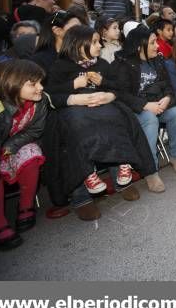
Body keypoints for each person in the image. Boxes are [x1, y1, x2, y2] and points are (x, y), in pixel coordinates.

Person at [43, 26, 157, 218]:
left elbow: (120, 88)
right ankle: (84, 188)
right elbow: (50, 95)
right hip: (72, 110)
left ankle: (122, 171)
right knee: (76, 128)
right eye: (94, 42)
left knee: (117, 118)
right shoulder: (60, 66)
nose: (99, 45)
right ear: (79, 45)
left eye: (98, 41)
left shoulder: (102, 64)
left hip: (102, 105)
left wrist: (107, 90)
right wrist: (73, 89)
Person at [113, 26, 176, 189]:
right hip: (135, 110)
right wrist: (145, 105)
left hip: (158, 104)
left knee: (175, 112)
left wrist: (167, 98)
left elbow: (168, 86)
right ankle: (151, 171)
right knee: (150, 119)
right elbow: (121, 94)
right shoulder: (123, 63)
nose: (157, 46)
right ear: (140, 46)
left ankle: (175, 156)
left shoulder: (157, 61)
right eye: (153, 43)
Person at [0, 60, 47, 250]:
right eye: (33, 83)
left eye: (40, 82)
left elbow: (34, 131)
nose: (40, 87)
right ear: (11, 83)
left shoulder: (40, 102)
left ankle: (26, 207)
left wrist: (11, 147)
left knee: (31, 152)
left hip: (10, 146)